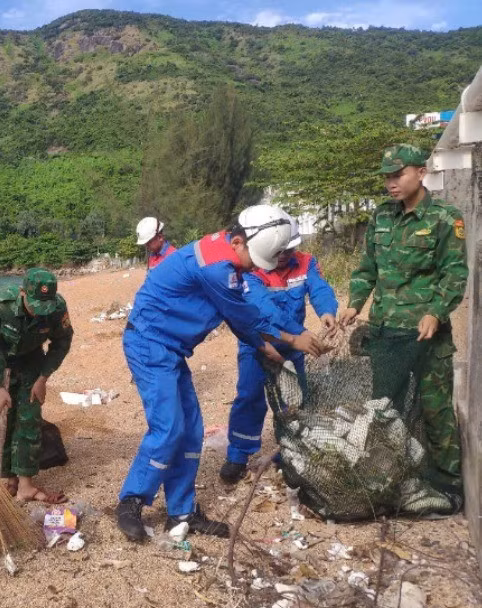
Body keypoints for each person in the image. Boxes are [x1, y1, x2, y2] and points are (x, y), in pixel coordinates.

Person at [116, 205, 327, 542]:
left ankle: (182, 512)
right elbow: (245, 316)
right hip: (149, 344)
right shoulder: (217, 269)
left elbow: (248, 310)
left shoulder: (225, 254)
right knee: (168, 427)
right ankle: (132, 501)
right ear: (239, 242)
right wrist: (292, 338)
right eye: (256, 260)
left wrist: (275, 340)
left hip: (170, 349)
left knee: (191, 430)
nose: (256, 268)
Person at [339, 144, 467, 508]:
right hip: (386, 333)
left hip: (426, 336)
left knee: (435, 410)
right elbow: (367, 268)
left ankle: (448, 487)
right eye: (386, 177)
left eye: (398, 175)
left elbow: (455, 274)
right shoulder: (381, 217)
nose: (391, 183)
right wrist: (354, 304)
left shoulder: (445, 218)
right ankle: (389, 482)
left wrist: (436, 312)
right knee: (384, 408)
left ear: (420, 173)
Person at [220, 217, 339, 484]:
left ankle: (290, 450)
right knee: (249, 397)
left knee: (295, 400)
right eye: (279, 251)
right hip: (257, 342)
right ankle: (237, 456)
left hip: (293, 346)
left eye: (288, 250)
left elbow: (319, 288)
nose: (283, 256)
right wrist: (299, 335)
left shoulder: (306, 262)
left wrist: (327, 311)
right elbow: (264, 309)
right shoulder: (253, 266)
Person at [0, 268, 74, 504]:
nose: (40, 313)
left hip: (31, 362)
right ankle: (7, 478)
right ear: (22, 293)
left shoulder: (57, 307)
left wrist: (43, 379)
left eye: (45, 307)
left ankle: (26, 486)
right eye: (35, 306)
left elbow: (62, 342)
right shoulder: (0, 304)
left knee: (29, 420)